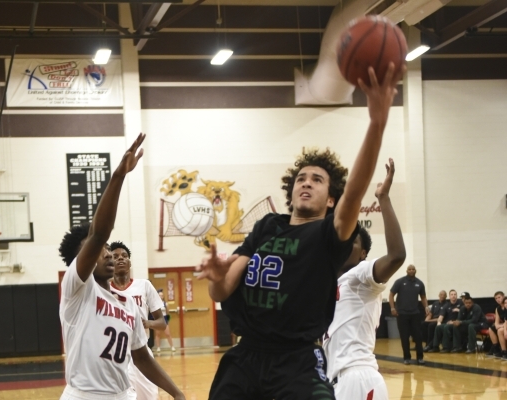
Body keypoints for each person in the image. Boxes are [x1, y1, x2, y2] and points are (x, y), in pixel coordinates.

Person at [196, 63, 405, 399]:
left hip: (296, 360)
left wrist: (376, 124)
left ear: (331, 198)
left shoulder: (327, 235)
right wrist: (219, 276)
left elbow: (354, 193)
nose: (306, 183)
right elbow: (220, 294)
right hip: (245, 357)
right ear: (291, 190)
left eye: (317, 180)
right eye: (301, 179)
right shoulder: (267, 227)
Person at [57, 133, 185, 400]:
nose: (107, 255)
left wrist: (177, 393)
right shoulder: (77, 290)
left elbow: (141, 357)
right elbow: (99, 233)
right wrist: (118, 177)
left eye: (108, 251)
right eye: (97, 252)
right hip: (84, 396)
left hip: (122, 395)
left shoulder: (128, 303)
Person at [324, 158, 406, 400]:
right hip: (337, 381)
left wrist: (383, 198)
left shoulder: (360, 276)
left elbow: (396, 256)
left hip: (358, 378)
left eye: (354, 240)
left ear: (363, 254)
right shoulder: (330, 282)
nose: (346, 242)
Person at [109, 240, 167, 400]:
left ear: (129, 262)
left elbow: (162, 323)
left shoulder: (145, 285)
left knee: (150, 397)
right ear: (109, 262)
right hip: (117, 354)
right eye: (115, 256)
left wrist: (147, 323)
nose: (120, 258)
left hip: (142, 352)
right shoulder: (104, 289)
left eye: (124, 256)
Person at [388, 265, 430, 364]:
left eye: (413, 269)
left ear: (416, 271)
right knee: (404, 336)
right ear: (407, 271)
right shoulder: (400, 282)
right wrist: (392, 307)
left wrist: (426, 307)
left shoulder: (419, 283)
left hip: (415, 313)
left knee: (418, 336)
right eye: (409, 269)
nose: (411, 271)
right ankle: (406, 358)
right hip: (402, 314)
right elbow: (391, 294)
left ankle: (420, 357)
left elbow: (423, 297)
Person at [486, 291, 505, 358]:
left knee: (500, 330)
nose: (498, 299)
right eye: (496, 298)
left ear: (503, 297)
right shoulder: (498, 309)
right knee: (491, 328)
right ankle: (496, 349)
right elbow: (496, 322)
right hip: (504, 324)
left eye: (499, 297)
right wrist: (499, 325)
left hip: (505, 325)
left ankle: (504, 351)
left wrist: (501, 325)